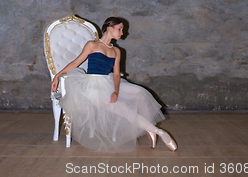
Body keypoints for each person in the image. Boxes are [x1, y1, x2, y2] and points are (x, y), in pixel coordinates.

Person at [51, 17, 177, 152]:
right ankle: (159, 132)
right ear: (109, 28)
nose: (122, 33)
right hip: (91, 86)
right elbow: (76, 63)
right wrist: (57, 75)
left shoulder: (117, 51)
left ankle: (149, 129)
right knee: (121, 108)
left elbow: (116, 74)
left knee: (140, 93)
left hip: (108, 82)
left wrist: (116, 91)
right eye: (120, 29)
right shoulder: (92, 45)